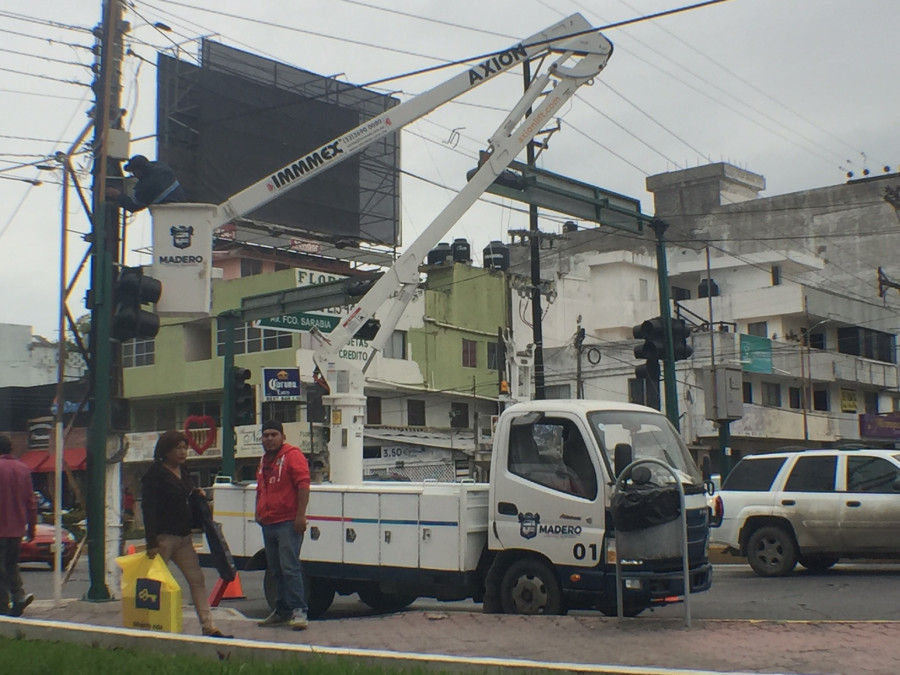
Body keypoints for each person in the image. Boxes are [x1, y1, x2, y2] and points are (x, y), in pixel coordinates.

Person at [141, 431, 230, 638]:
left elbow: (187, 494)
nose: (182, 452)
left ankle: (209, 626)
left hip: (184, 537)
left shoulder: (184, 471)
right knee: (155, 584)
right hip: (163, 538)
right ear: (166, 451)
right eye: (177, 448)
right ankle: (149, 624)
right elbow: (148, 509)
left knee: (197, 579)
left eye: (184, 448)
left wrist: (196, 495)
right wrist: (151, 540)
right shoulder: (154, 475)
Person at [255, 420, 310, 630]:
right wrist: (258, 513)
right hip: (268, 522)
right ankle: (281, 611)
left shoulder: (292, 455)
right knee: (275, 569)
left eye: (273, 434)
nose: (269, 439)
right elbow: (261, 489)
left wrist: (300, 516)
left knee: (290, 568)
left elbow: (303, 485)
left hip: (288, 522)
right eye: (265, 435)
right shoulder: (263, 461)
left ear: (283, 436)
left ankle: (299, 611)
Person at [0, 435, 37, 617]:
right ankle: (18, 595)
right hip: (16, 529)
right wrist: (32, 528)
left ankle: (3, 606)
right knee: (11, 564)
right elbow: (31, 502)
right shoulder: (23, 469)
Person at [106, 154, 186, 212]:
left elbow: (133, 206)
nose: (133, 175)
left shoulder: (144, 188)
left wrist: (117, 195)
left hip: (167, 212)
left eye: (133, 172)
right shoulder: (162, 166)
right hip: (182, 203)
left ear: (139, 170)